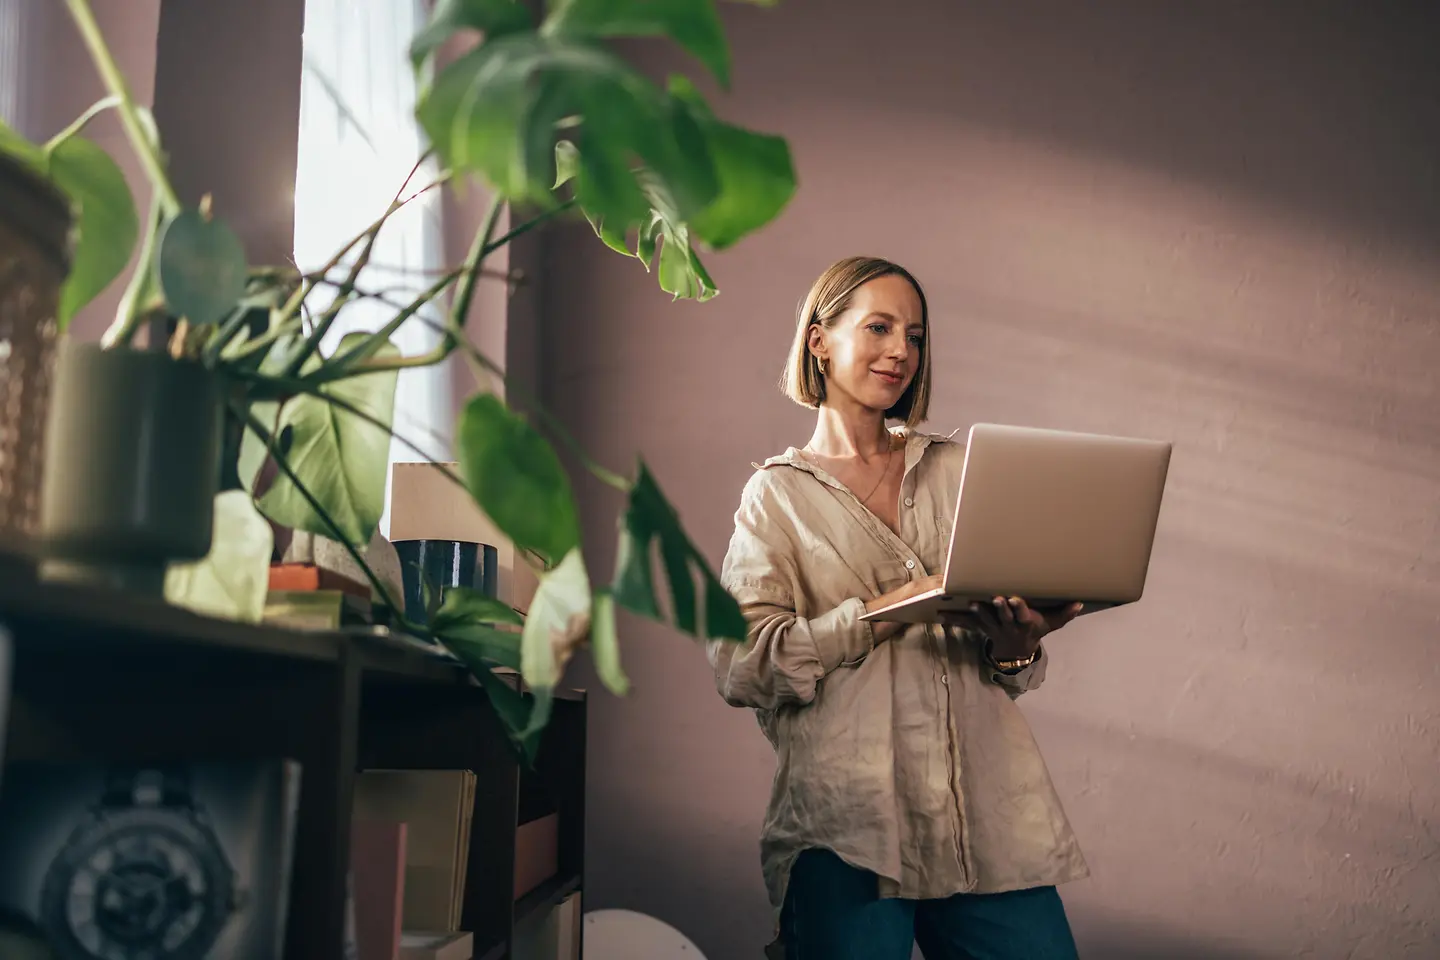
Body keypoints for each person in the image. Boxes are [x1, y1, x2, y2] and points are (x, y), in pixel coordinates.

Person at [708, 256, 1091, 960]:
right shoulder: (777, 497)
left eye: (914, 335)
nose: (900, 352)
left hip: (983, 817)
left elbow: (1004, 670)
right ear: (819, 340)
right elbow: (741, 664)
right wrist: (885, 612)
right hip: (846, 826)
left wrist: (1018, 643)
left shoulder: (957, 471)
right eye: (879, 327)